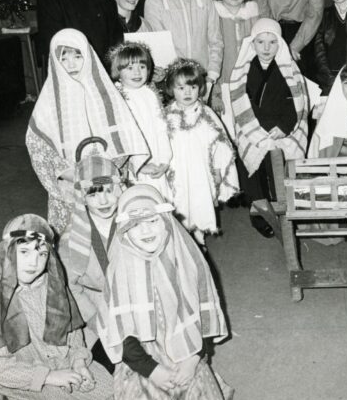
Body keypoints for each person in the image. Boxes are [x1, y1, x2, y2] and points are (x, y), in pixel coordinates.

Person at [0, 214, 117, 400]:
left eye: (42, 253)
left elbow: (72, 332)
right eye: (24, 252)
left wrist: (79, 361)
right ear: (7, 251)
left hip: (63, 362)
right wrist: (50, 376)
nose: (33, 262)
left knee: (114, 396)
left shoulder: (52, 287)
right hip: (24, 377)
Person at [98, 185, 233, 400]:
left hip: (185, 346)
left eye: (152, 221)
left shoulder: (186, 259)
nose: (146, 231)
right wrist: (152, 370)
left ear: (167, 222)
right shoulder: (121, 270)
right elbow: (120, 334)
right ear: (125, 232)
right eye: (136, 225)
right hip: (145, 356)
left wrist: (194, 358)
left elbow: (202, 315)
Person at [26, 28, 148, 233]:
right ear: (54, 61)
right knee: (76, 244)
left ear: (88, 56)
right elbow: (39, 145)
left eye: (78, 56)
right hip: (71, 186)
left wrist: (104, 171)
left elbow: (126, 137)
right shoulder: (48, 103)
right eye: (64, 58)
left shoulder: (106, 94)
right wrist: (75, 175)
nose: (72, 64)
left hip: (108, 184)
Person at [224, 18, 309, 238]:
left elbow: (296, 103)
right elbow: (241, 103)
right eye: (261, 42)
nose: (266, 48)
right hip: (253, 127)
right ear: (252, 44)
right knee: (255, 166)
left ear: (279, 44)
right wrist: (259, 130)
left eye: (272, 42)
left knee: (281, 171)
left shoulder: (288, 70)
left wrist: (283, 126)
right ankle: (260, 215)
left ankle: (287, 212)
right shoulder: (242, 72)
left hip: (282, 127)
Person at [57, 137, 124, 374]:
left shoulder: (132, 224)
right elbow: (71, 288)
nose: (104, 201)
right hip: (96, 309)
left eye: (108, 191)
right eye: (93, 194)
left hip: (134, 303)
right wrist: (96, 319)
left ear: (119, 189)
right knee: (99, 373)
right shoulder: (70, 240)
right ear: (82, 198)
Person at [164, 58, 239, 250]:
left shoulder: (206, 114)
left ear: (200, 88)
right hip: (177, 171)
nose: (188, 93)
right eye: (181, 88)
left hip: (200, 172)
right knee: (179, 206)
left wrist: (218, 172)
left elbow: (221, 145)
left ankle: (199, 243)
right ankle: (180, 243)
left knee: (198, 204)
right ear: (172, 90)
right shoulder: (166, 116)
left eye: (193, 87)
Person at [143, 0, 223, 100]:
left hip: (202, 82)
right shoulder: (154, 1)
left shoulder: (204, 0)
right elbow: (159, 47)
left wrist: (211, 78)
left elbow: (216, 41)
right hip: (172, 84)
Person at [109, 42, 172, 197]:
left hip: (156, 157)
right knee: (139, 201)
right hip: (134, 165)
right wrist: (139, 165)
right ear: (118, 70)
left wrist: (165, 159)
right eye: (130, 68)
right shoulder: (117, 97)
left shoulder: (150, 93)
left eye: (142, 67)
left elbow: (161, 127)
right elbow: (120, 138)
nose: (137, 72)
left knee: (160, 199)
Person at [212, 0, 259, 115]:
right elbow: (211, 57)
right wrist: (215, 94)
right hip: (223, 85)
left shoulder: (254, 16)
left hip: (250, 84)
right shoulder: (213, 17)